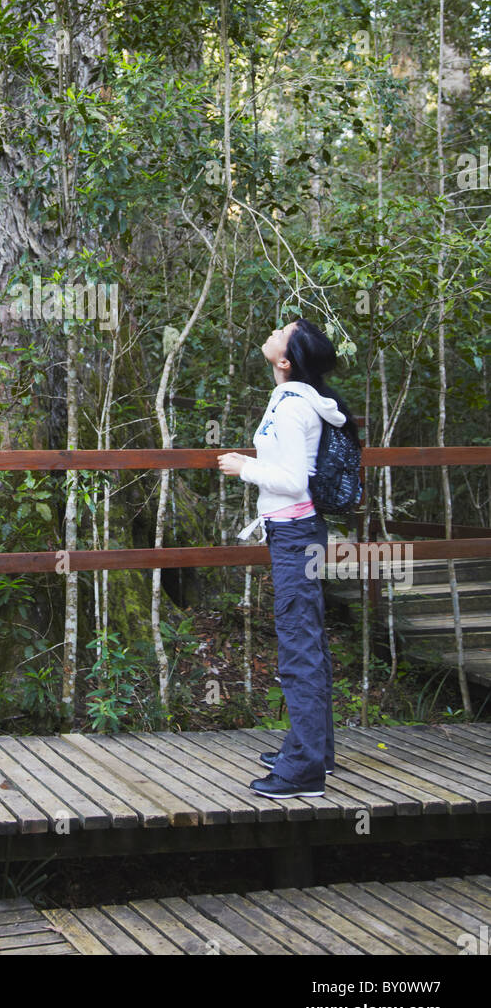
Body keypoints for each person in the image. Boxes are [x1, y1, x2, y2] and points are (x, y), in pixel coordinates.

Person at [217, 317, 359, 799]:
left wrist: (244, 467)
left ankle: (303, 772)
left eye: (283, 331)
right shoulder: (294, 398)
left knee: (299, 645)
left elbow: (293, 478)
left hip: (296, 534)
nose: (274, 330)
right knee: (307, 641)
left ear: (286, 360)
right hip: (297, 532)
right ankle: (314, 751)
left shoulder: (295, 405)